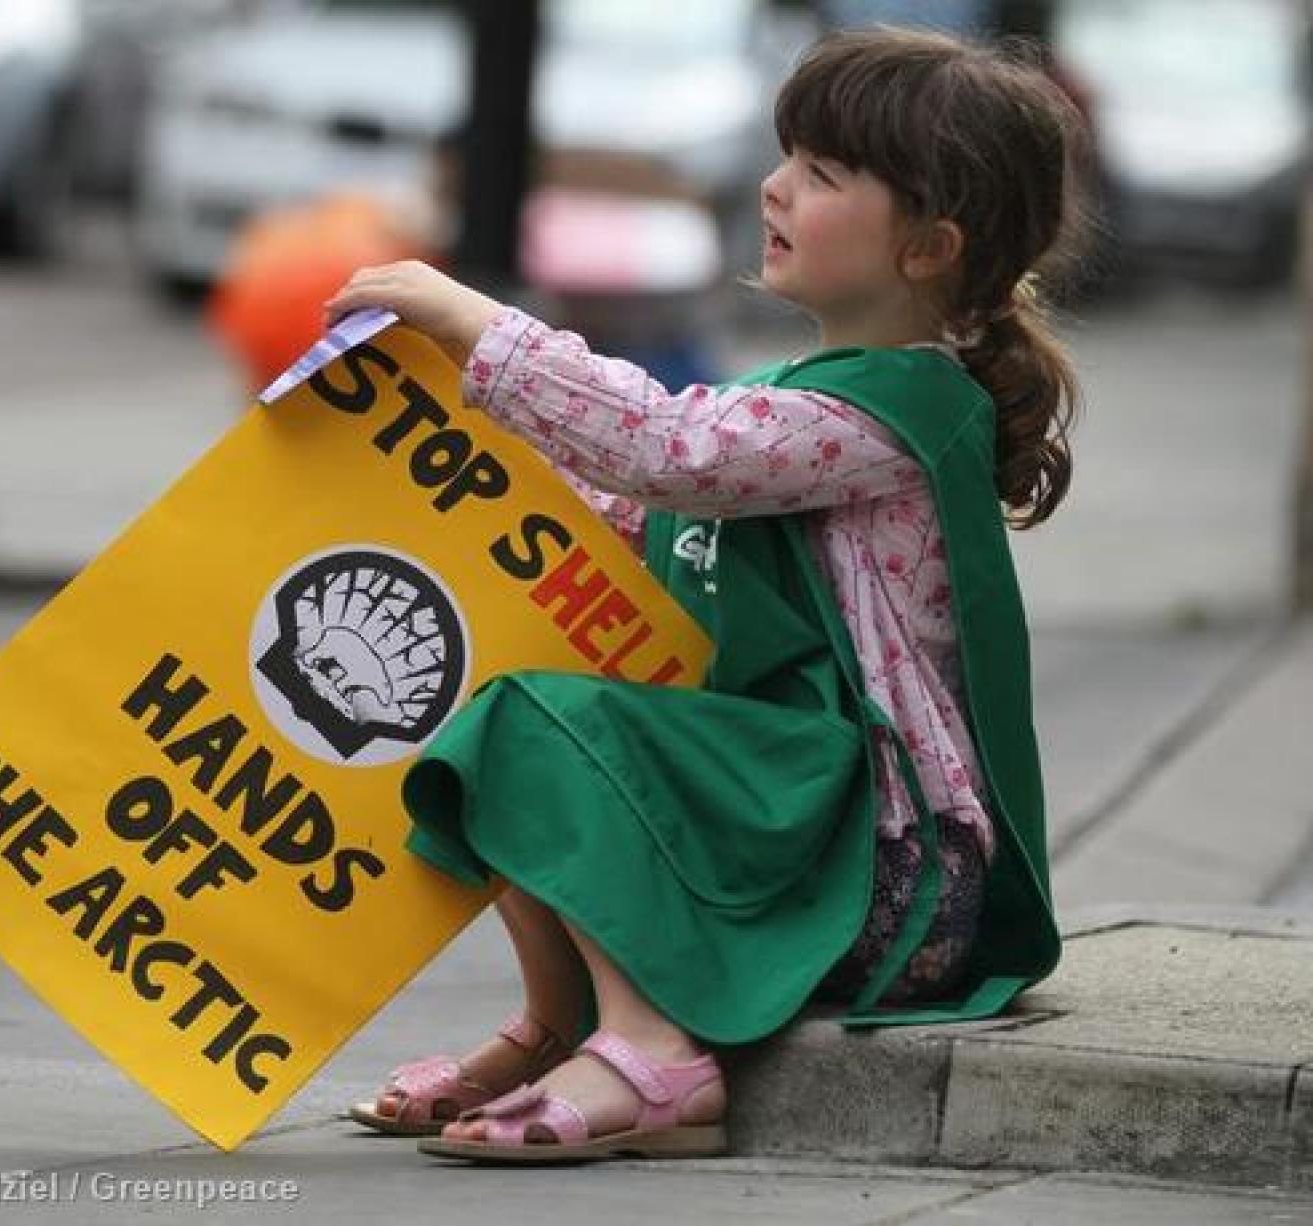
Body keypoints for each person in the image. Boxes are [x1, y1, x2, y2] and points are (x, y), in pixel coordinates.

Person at [325, 26, 1086, 1165]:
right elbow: (649, 516)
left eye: (825, 175)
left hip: (887, 876)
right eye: (788, 157)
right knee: (514, 710)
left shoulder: (888, 413)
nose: (778, 187)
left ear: (930, 245)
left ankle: (652, 1054)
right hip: (804, 822)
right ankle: (557, 1025)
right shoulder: (808, 396)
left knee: (537, 723)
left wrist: (474, 324)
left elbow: (668, 449)